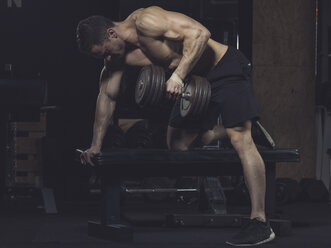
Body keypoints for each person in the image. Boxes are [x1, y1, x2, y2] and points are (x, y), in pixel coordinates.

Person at [76, 6, 275, 246]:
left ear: (111, 33)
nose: (106, 59)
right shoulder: (117, 59)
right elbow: (107, 97)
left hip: (224, 67)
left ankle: (259, 222)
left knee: (239, 139)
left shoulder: (147, 21)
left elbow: (201, 34)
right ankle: (248, 126)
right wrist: (95, 146)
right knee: (178, 145)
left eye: (105, 53)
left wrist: (178, 76)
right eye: (101, 57)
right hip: (195, 80)